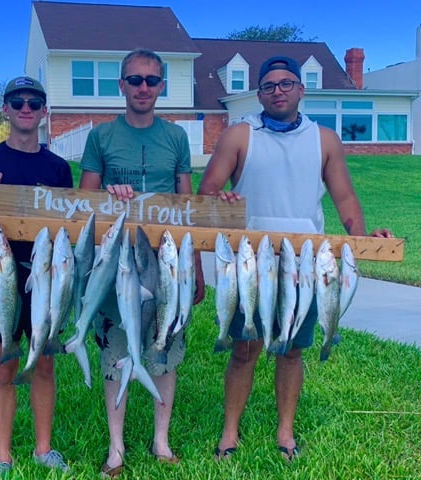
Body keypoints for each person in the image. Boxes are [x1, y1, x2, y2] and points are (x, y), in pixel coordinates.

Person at [197, 56, 393, 462]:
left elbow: (344, 197)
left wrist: (359, 239)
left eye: (287, 84)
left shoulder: (324, 139)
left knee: (291, 350)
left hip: (305, 262)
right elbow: (207, 192)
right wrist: (222, 199)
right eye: (269, 86)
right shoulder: (239, 135)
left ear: (302, 90)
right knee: (244, 348)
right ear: (259, 94)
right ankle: (229, 434)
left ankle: (285, 433)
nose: (278, 91)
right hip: (249, 260)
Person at [78, 48, 206, 478]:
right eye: (135, 80)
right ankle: (116, 449)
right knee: (116, 345)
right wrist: (108, 194)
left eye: (152, 80)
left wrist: (197, 267)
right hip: (117, 257)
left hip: (168, 258)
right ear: (122, 85)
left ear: (162, 86)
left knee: (165, 345)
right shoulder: (100, 137)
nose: (144, 88)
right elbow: (85, 205)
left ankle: (160, 440)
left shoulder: (176, 138)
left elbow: (187, 207)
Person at [0, 76, 73, 479]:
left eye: (34, 102)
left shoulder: (58, 168)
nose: (26, 108)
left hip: (45, 282)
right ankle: (3, 457)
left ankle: (43, 449)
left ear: (44, 111)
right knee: (4, 367)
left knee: (43, 364)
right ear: (5, 109)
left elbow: (69, 228)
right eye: (17, 102)